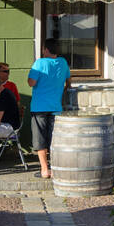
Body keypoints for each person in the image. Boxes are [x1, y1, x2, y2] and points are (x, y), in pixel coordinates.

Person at [27, 38, 70, 179]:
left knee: (40, 139)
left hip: (39, 107)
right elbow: (68, 82)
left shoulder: (39, 63)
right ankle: (56, 168)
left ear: (46, 49)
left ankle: (45, 170)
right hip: (56, 107)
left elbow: (31, 83)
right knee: (54, 139)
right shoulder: (63, 63)